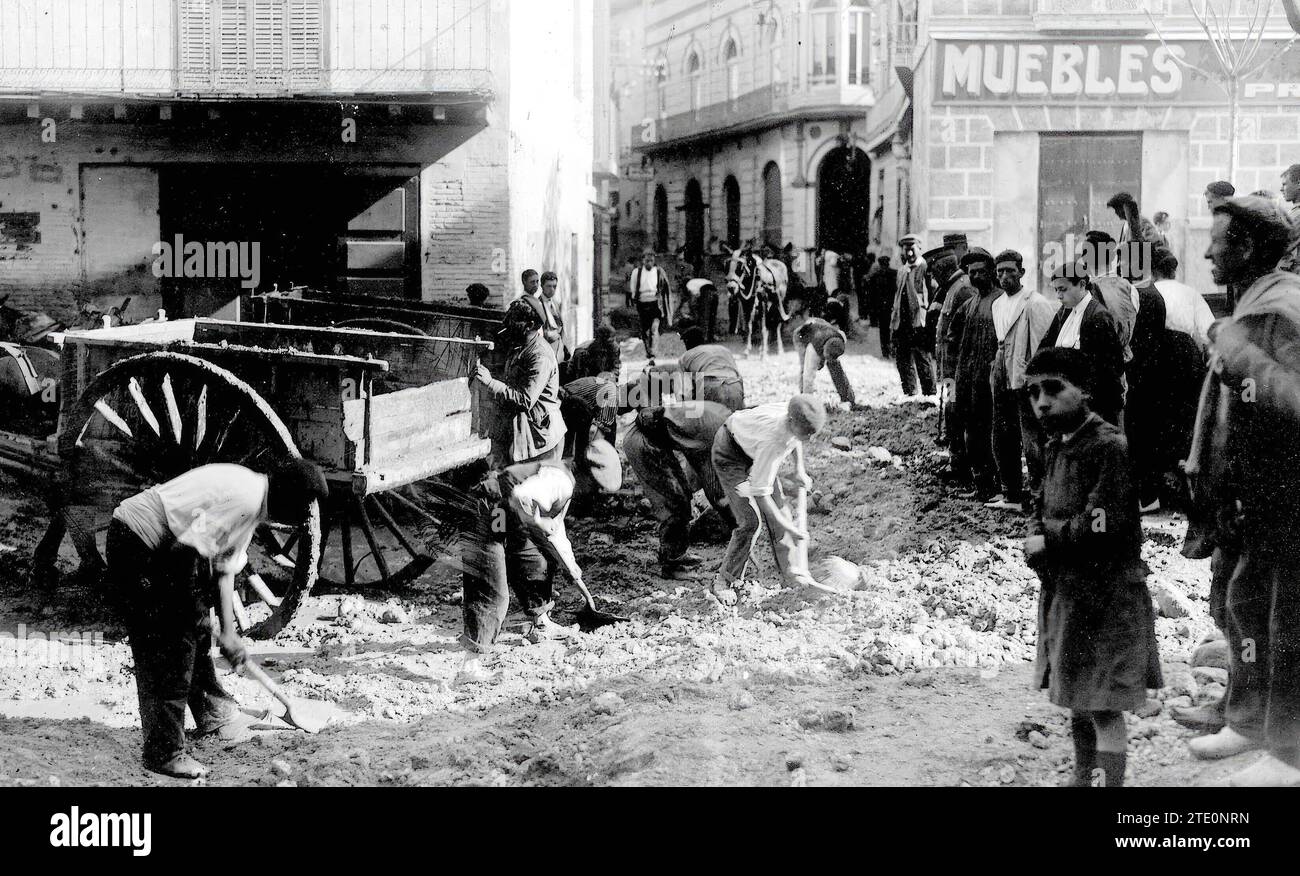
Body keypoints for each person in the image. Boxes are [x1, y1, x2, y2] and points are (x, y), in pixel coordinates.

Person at [106, 460, 329, 778]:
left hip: (167, 550)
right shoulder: (245, 497)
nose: (300, 520)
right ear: (286, 497)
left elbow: (224, 569)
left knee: (191, 630)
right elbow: (184, 552)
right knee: (172, 645)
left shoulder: (253, 505)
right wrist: (195, 614)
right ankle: (163, 751)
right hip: (137, 544)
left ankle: (215, 713)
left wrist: (228, 632)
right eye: (301, 509)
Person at [1181, 196, 1300, 785]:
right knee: (1244, 609)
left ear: (1249, 247)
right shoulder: (1254, 299)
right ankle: (1251, 718)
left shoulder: (1282, 305)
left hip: (1284, 495)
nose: (1206, 250)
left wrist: (1242, 358)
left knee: (1286, 621)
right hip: (1250, 494)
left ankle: (1290, 753)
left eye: (1218, 240)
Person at [1022, 347, 1162, 787]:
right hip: (1070, 591)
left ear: (1083, 391)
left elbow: (1104, 522)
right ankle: (1085, 779)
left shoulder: (1108, 447)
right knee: (1079, 700)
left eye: (1053, 389)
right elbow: (1038, 501)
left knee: (1103, 706)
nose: (1041, 401)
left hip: (1107, 594)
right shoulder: (1055, 444)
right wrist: (1034, 532)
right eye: (1033, 393)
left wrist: (1050, 539)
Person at [458, 449, 621, 682]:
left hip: (504, 513)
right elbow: (520, 498)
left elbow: (555, 529)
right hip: (485, 510)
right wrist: (538, 524)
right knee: (492, 590)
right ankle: (469, 668)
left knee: (535, 560)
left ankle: (541, 621)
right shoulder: (560, 482)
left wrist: (571, 566)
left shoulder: (562, 478)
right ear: (587, 478)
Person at [709, 395, 825, 605]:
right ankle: (724, 580)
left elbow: (797, 440)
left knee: (782, 511)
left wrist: (799, 470)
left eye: (811, 434)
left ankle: (792, 570)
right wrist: (790, 528)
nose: (809, 439)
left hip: (752, 447)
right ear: (791, 422)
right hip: (730, 456)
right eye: (806, 433)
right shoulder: (774, 440)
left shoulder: (793, 413)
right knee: (750, 521)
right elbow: (761, 495)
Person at [624, 402, 734, 580]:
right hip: (643, 441)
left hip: (653, 434)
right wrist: (736, 526)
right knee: (674, 502)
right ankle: (671, 565)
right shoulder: (715, 436)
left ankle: (676, 553)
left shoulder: (725, 417)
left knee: (682, 495)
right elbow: (714, 491)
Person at [987, 249, 1057, 512]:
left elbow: (1042, 346)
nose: (1005, 277)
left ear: (1022, 273)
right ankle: (1011, 493)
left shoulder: (1034, 302)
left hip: (1024, 377)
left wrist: (1036, 381)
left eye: (1010, 271)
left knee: (1033, 439)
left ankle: (1041, 496)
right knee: (1003, 433)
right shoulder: (997, 304)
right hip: (1001, 375)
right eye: (1000, 272)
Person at [475, 296, 565, 465]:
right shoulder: (520, 344)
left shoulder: (540, 356)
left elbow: (525, 400)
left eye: (514, 320)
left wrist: (491, 383)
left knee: (533, 489)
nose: (507, 324)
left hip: (542, 443)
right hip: (525, 435)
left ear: (530, 325)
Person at [1040, 262, 1126, 426]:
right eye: (1056, 290)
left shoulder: (1098, 317)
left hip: (1094, 407)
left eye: (1063, 289)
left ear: (1081, 284)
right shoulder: (1065, 312)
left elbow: (1111, 369)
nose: (1058, 295)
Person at [947, 247, 1002, 500]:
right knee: (971, 431)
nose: (977, 276)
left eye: (981, 271)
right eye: (972, 273)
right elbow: (952, 337)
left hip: (991, 381)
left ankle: (997, 485)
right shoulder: (969, 305)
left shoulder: (1002, 301)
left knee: (993, 432)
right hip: (967, 379)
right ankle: (980, 483)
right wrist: (951, 372)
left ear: (991, 272)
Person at [931, 250, 976, 473]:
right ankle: (955, 460)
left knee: (958, 414)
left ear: (942, 270)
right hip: (951, 370)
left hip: (959, 370)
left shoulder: (963, 288)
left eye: (934, 273)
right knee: (952, 413)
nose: (932, 279)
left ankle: (960, 465)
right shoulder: (953, 288)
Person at [891, 234, 937, 397]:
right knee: (902, 358)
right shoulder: (902, 270)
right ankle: (909, 392)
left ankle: (929, 393)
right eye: (906, 249)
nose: (909, 253)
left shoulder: (925, 268)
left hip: (919, 320)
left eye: (912, 249)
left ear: (919, 248)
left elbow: (932, 294)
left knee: (922, 357)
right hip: (902, 321)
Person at [675, 326, 745, 410]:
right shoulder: (724, 349)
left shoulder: (685, 357)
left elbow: (685, 391)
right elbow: (738, 376)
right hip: (735, 387)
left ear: (686, 342)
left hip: (711, 388)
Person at [795, 315, 854, 405]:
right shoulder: (813, 348)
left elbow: (833, 359)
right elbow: (808, 377)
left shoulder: (840, 337)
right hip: (801, 335)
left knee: (835, 367)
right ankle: (805, 402)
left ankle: (847, 398)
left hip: (820, 328)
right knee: (806, 371)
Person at [627, 250, 670, 359]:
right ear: (643, 261)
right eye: (647, 260)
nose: (649, 263)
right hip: (642, 303)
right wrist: (634, 298)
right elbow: (633, 286)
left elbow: (664, 287)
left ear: (654, 261)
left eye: (651, 260)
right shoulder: (637, 272)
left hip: (655, 303)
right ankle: (648, 352)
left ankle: (653, 351)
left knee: (654, 328)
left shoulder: (658, 271)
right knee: (645, 329)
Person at [867, 255, 897, 357]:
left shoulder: (875, 276)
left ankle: (885, 351)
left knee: (884, 330)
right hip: (890, 306)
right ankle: (891, 350)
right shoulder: (894, 273)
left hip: (881, 307)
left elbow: (871, 295)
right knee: (891, 329)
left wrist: (872, 311)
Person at [1280, 164, 1300, 273]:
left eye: (1284, 184)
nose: (1281, 189)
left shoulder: (1297, 215)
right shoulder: (1295, 212)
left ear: (1298, 183)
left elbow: (1284, 247)